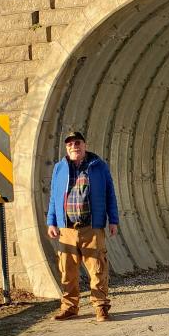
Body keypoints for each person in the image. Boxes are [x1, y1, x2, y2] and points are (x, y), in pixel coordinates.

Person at [46, 131, 119, 322]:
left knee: (97, 268)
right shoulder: (59, 168)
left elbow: (110, 194)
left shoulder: (98, 167)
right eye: (70, 144)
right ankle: (69, 307)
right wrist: (51, 221)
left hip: (92, 227)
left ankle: (101, 307)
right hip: (67, 229)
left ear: (84, 145)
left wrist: (113, 220)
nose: (74, 147)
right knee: (67, 271)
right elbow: (54, 197)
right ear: (66, 148)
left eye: (77, 143)